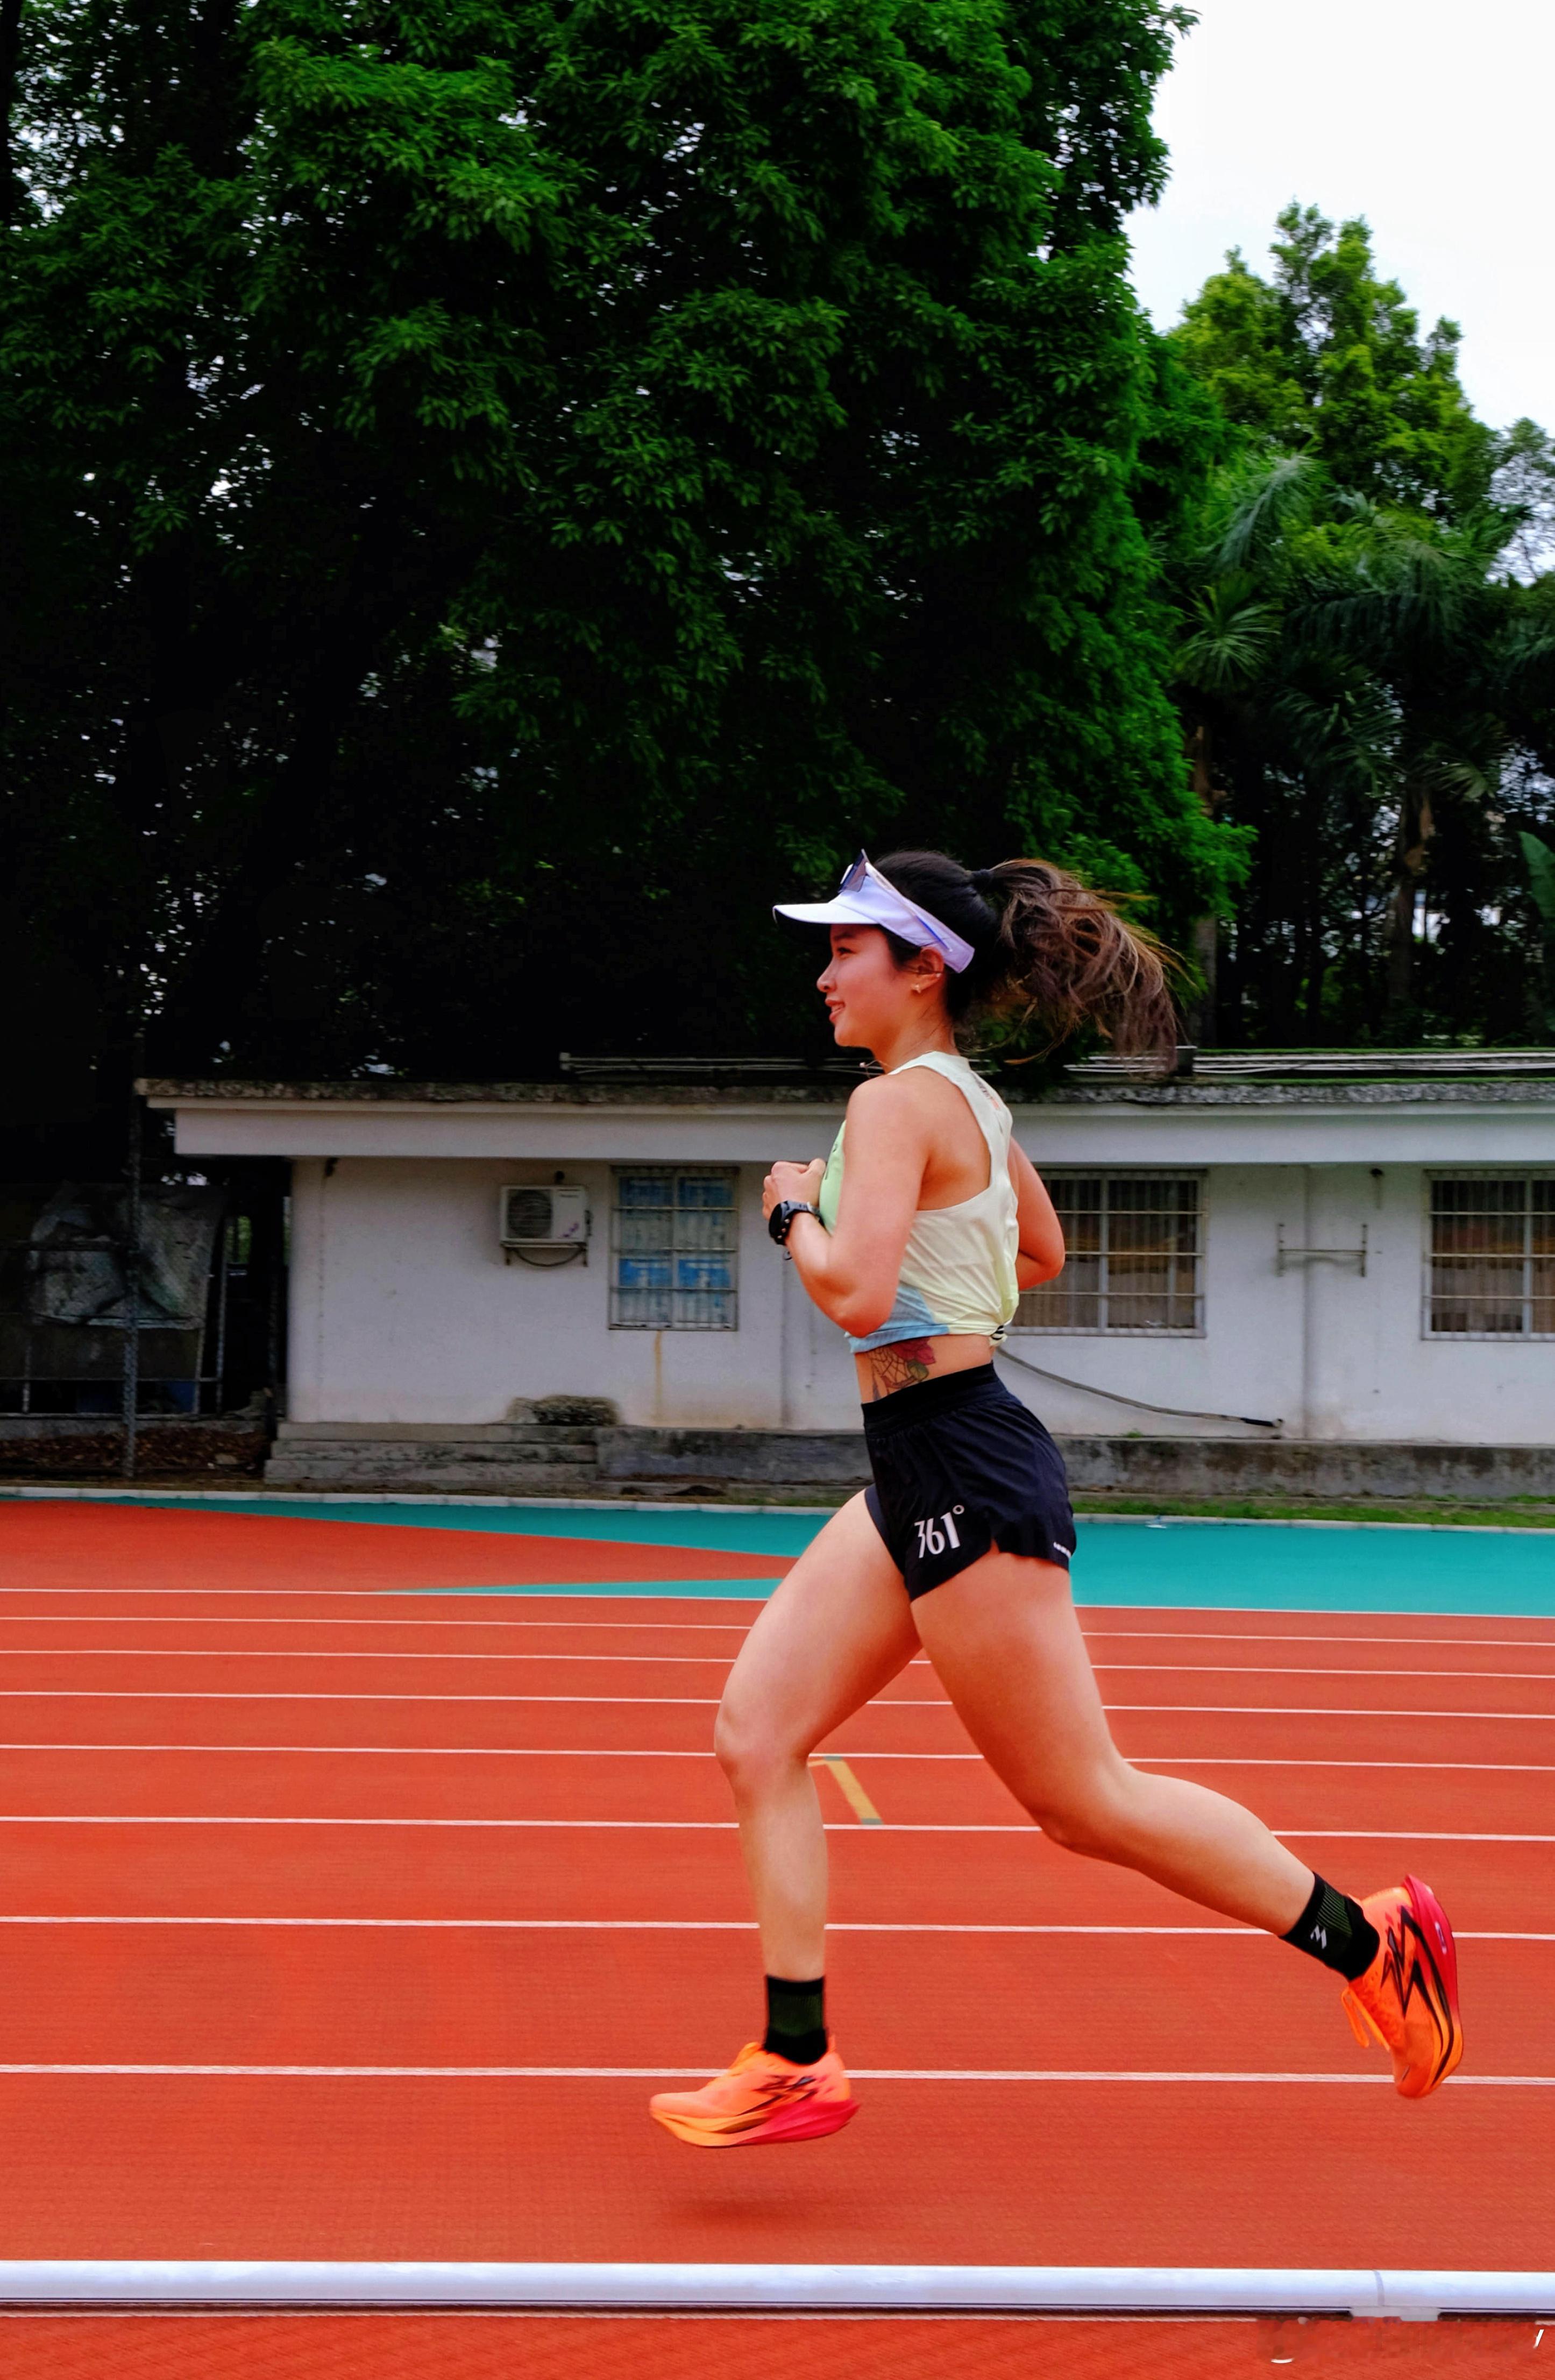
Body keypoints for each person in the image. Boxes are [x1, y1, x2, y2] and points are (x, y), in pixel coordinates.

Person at [649, 849, 1462, 2149]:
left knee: (1082, 1798)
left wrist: (791, 1211)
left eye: (844, 951)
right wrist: (930, 1276)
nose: (822, 975)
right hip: (919, 1456)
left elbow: (852, 1294)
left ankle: (1373, 1941)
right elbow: (1040, 1249)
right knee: (757, 1731)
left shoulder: (894, 1106)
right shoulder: (967, 1100)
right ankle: (796, 2054)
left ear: (921, 966)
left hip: (961, 1461)